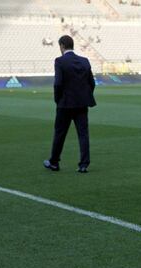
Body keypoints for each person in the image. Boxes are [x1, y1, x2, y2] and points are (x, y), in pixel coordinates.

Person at [44, 35, 97, 173]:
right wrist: (85, 96)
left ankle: (54, 162)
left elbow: (58, 83)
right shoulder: (84, 61)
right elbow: (92, 83)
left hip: (65, 104)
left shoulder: (60, 61)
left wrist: (58, 99)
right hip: (81, 104)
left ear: (62, 46)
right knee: (83, 134)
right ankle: (84, 164)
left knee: (60, 134)